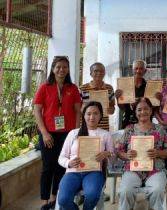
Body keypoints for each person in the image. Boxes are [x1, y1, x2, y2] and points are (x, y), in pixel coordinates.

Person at [33, 56, 82, 210]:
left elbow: (78, 112)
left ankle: (55, 199)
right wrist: (44, 133)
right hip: (48, 134)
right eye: (58, 67)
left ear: (68, 70)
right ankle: (44, 201)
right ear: (53, 69)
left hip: (67, 135)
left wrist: (75, 134)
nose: (61, 70)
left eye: (65, 67)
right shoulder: (44, 87)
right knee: (48, 167)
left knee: (61, 167)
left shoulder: (72, 88)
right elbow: (37, 111)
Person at [116, 97, 167, 210]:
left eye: (146, 109)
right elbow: (118, 151)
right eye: (139, 110)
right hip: (133, 169)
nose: (143, 112)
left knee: (157, 190)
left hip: (155, 169)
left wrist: (158, 152)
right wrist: (126, 155)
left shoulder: (159, 129)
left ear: (151, 110)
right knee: (125, 191)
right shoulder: (129, 129)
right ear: (135, 112)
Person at [57, 101, 114, 210]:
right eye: (88, 114)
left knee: (92, 195)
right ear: (84, 115)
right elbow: (61, 157)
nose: (92, 117)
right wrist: (69, 163)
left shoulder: (105, 135)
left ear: (101, 115)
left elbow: (113, 160)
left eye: (95, 113)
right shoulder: (73, 133)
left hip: (94, 172)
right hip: (72, 172)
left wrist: (107, 154)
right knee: (63, 200)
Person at [79, 62, 115, 130]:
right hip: (86, 128)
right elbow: (78, 110)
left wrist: (110, 110)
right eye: (96, 71)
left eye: (101, 71)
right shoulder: (82, 89)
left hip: (103, 127)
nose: (99, 73)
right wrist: (84, 108)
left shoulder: (109, 88)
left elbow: (112, 108)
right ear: (91, 73)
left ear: (104, 73)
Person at [115, 60, 148, 128]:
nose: (138, 71)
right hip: (128, 122)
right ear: (132, 70)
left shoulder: (148, 86)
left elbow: (152, 107)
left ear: (145, 71)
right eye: (136, 68)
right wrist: (118, 98)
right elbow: (122, 108)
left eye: (141, 68)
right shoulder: (124, 85)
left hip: (145, 122)